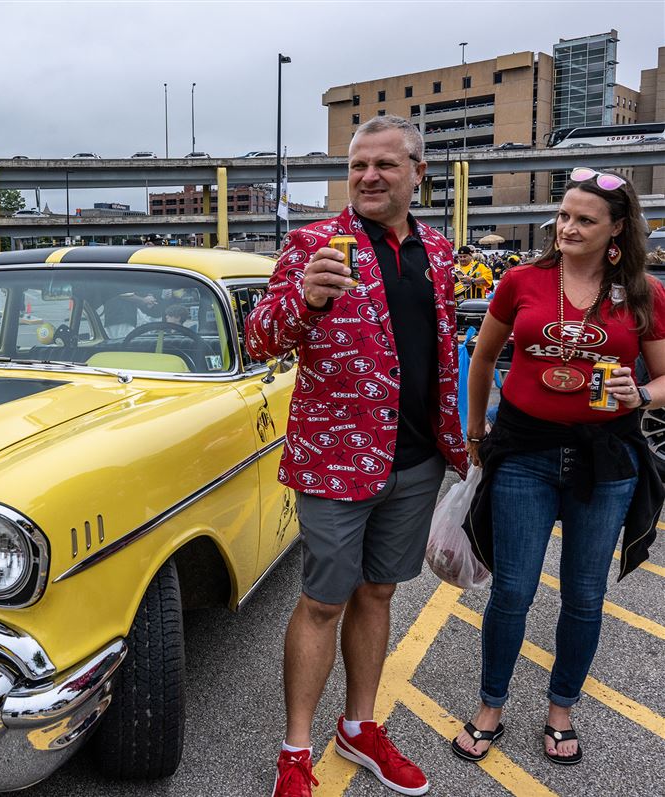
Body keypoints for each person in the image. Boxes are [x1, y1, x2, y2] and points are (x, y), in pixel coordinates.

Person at [245, 115, 467, 797]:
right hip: (335, 461)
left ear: (416, 173)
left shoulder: (438, 248)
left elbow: (439, 349)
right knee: (321, 601)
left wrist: (460, 439)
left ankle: (360, 726)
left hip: (416, 459)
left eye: (386, 165)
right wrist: (306, 301)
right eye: (358, 165)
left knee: (379, 591)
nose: (369, 176)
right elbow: (260, 337)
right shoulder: (314, 242)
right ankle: (295, 748)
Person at [456, 168, 665, 766]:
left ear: (617, 228)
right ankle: (491, 705)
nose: (568, 228)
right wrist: (477, 430)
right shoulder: (521, 279)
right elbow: (484, 357)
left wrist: (641, 395)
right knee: (514, 590)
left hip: (607, 457)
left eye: (585, 220)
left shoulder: (644, 294)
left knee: (583, 595)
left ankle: (561, 709)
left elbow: (662, 377)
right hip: (524, 451)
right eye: (564, 216)